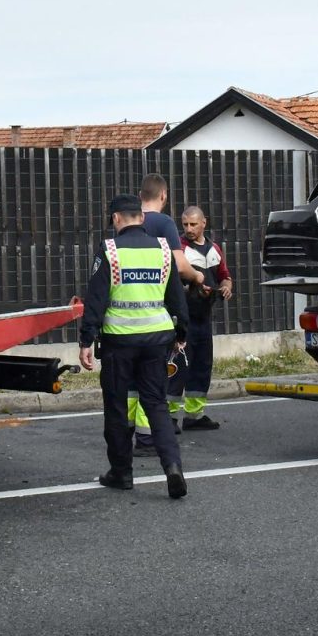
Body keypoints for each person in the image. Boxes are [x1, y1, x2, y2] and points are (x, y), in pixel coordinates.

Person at [79, 194, 189, 499]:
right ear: (141, 217)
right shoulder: (164, 250)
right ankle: (173, 468)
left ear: (116, 219)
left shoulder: (110, 250)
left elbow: (96, 300)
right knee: (156, 404)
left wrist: (86, 340)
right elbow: (176, 297)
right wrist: (182, 333)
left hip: (119, 342)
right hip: (157, 340)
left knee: (116, 407)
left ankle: (122, 473)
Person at [129, 173, 211, 455]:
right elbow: (178, 265)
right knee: (155, 374)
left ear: (141, 197)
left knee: (130, 375)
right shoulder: (163, 223)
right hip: (157, 308)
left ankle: (127, 429)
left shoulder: (127, 221)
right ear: (163, 196)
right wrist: (198, 276)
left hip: (127, 310)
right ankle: (147, 436)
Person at [168, 205, 232, 430]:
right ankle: (170, 417)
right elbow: (171, 283)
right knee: (178, 367)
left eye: (193, 224)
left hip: (204, 318)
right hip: (183, 319)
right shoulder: (179, 250)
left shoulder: (214, 249)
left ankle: (195, 415)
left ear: (204, 223)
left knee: (202, 366)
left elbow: (225, 277)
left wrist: (226, 288)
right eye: (185, 224)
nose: (188, 229)